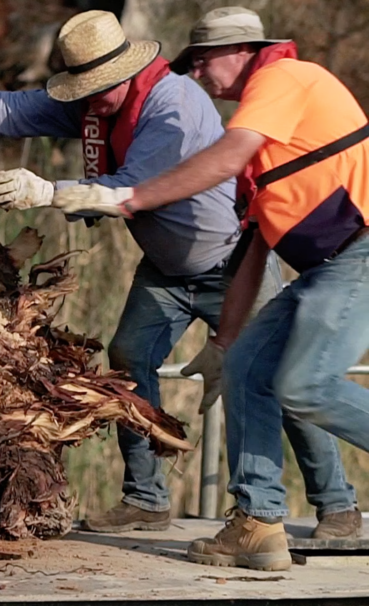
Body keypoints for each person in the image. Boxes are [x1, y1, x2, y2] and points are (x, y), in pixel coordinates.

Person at [0, 9, 358, 537]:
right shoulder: (97, 104)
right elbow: (27, 107)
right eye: (83, 88)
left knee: (274, 376)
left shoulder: (174, 106)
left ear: (127, 74)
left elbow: (136, 185)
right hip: (165, 269)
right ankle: (146, 497)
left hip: (233, 264)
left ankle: (336, 505)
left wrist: (48, 191)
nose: (90, 99)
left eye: (98, 87)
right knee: (129, 360)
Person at [56, 6, 369, 570]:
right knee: (249, 368)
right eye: (192, 65)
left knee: (307, 386)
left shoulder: (281, 78)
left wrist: (126, 197)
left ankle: (333, 504)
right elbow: (253, 249)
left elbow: (224, 160)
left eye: (204, 62)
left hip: (357, 254)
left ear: (245, 51)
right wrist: (224, 345)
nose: (198, 75)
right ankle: (257, 524)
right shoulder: (265, 139)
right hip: (322, 267)